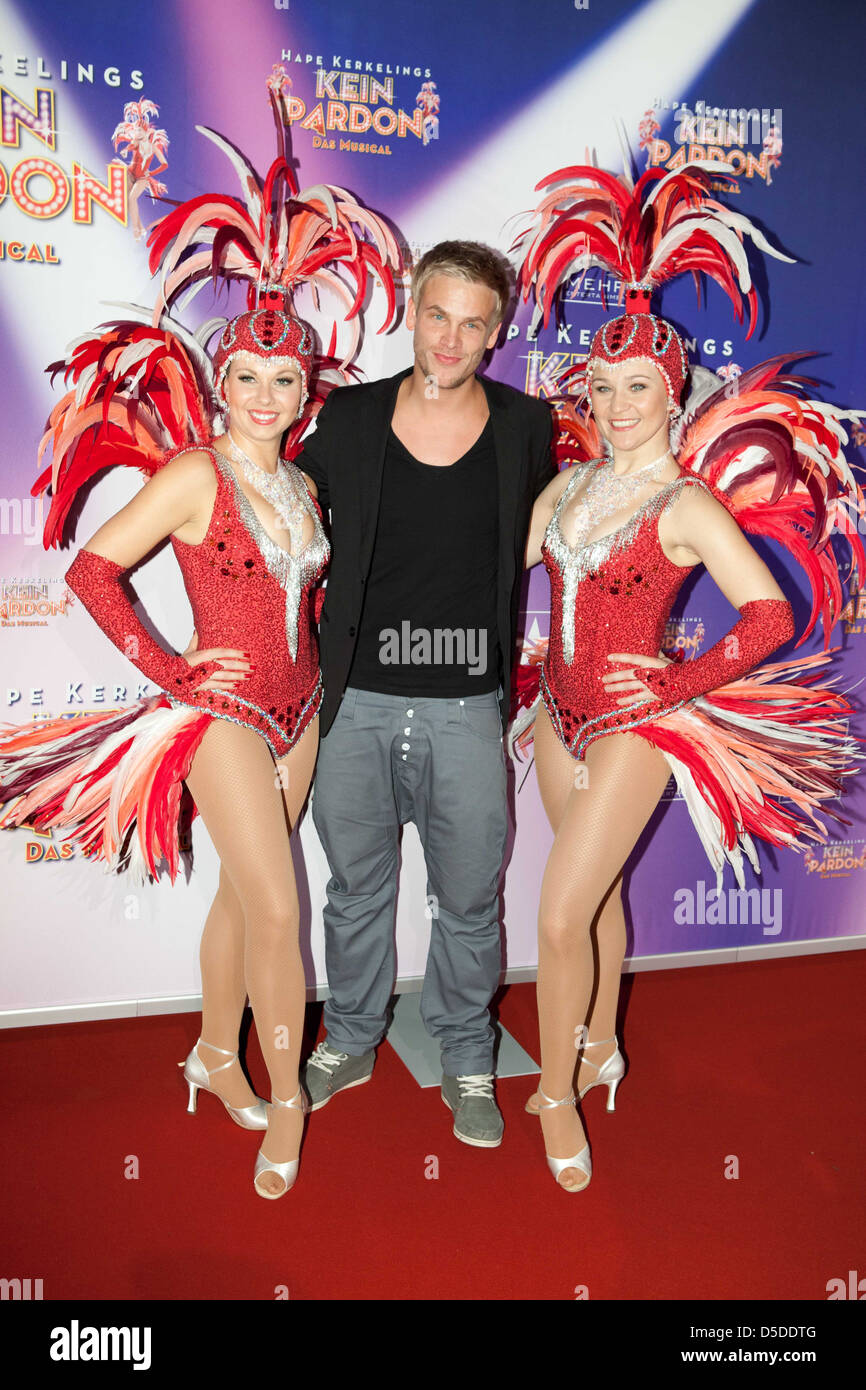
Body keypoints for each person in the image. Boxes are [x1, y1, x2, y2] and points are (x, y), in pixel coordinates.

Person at [0, 105, 400, 1200]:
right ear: (221, 377)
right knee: (279, 908)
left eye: (286, 382)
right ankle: (282, 1102)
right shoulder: (191, 474)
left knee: (240, 898)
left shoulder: (304, 483)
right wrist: (175, 672)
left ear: (303, 388)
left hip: (301, 707)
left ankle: (212, 1053)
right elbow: (92, 570)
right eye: (249, 378)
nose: (266, 397)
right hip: (221, 715)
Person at [512, 158, 862, 1192]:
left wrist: (675, 685)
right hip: (551, 716)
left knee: (553, 913)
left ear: (672, 392)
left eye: (638, 390)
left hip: (636, 723)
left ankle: (555, 1093)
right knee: (598, 893)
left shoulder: (689, 503)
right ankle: (601, 1039)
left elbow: (767, 613)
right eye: (604, 388)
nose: (617, 406)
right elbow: (498, 564)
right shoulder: (567, 485)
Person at [294, 240, 555, 1146]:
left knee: (471, 900)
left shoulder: (527, 426)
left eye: (473, 323)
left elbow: (581, 527)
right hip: (356, 704)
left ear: (497, 331)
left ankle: (468, 1055)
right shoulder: (354, 416)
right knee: (354, 892)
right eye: (437, 314)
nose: (451, 337)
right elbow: (278, 509)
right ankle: (353, 1038)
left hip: (465, 706)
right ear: (413, 307)